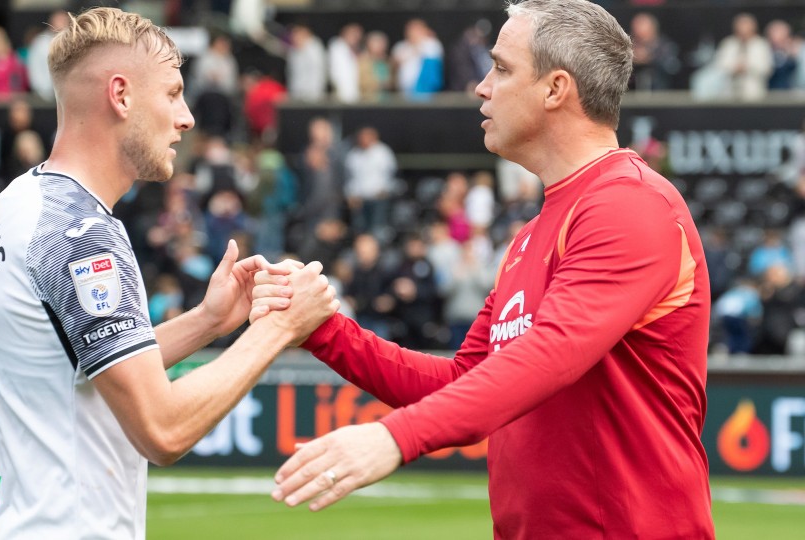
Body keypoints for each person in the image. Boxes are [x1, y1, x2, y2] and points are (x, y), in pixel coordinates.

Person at [254, 1, 714, 538]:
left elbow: (550, 354)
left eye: (501, 67)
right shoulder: (533, 233)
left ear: (555, 88)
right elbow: (463, 382)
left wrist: (394, 437)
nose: (481, 86)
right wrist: (323, 330)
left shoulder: (628, 206)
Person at [0, 8, 338, 539]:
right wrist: (279, 329)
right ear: (121, 95)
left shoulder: (22, 202)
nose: (187, 117)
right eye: (173, 92)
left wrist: (207, 321)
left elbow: (78, 366)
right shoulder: (80, 232)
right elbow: (163, 430)